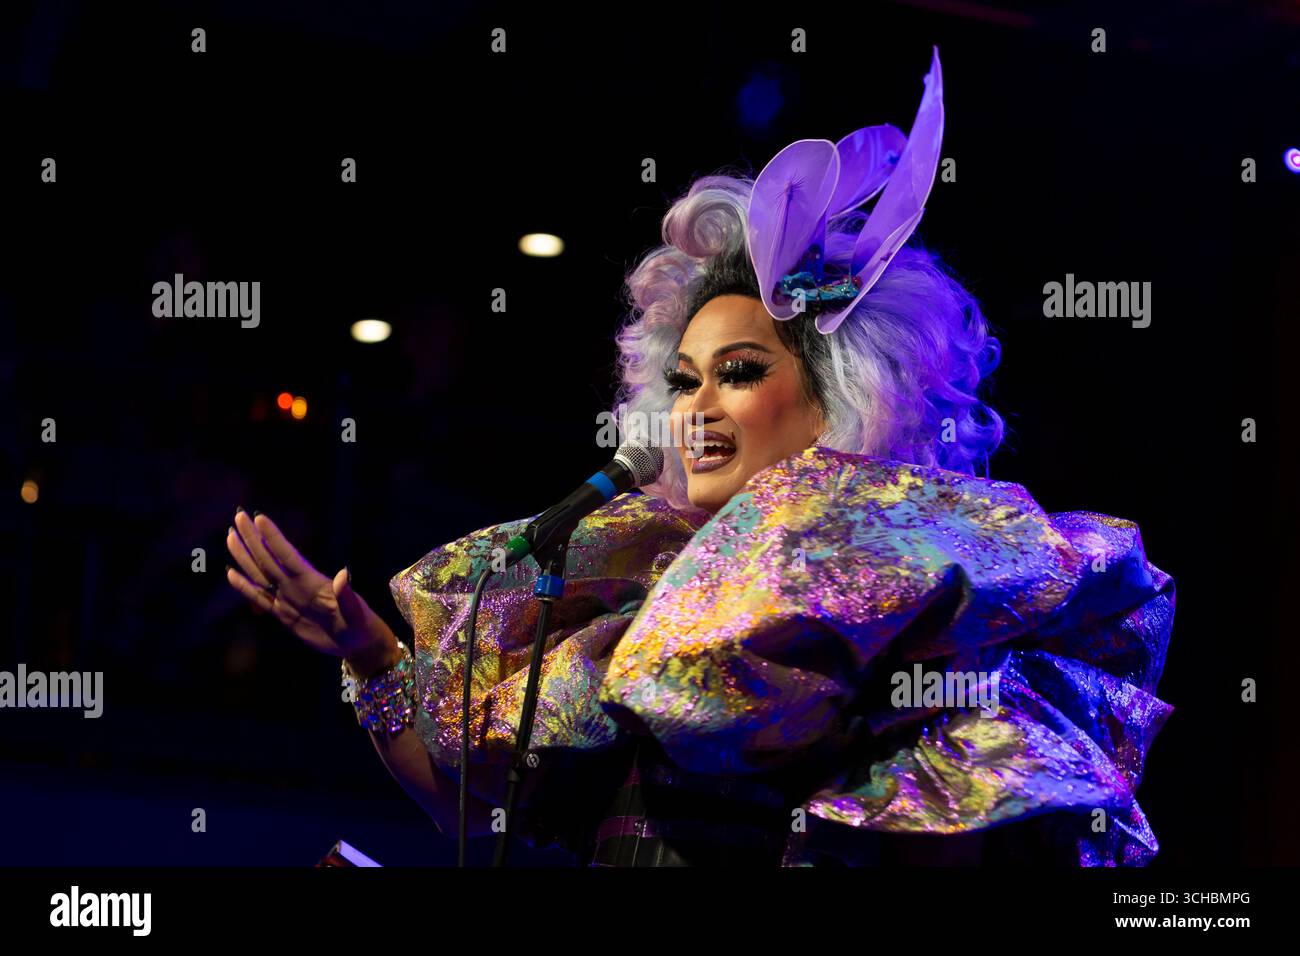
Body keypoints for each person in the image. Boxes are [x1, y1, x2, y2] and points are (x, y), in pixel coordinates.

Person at [224, 47, 1175, 866]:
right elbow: (477, 816)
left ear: (846, 391)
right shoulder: (638, 599)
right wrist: (373, 656)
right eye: (683, 381)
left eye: (740, 371)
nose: (698, 406)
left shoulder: (922, 616)